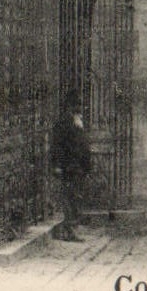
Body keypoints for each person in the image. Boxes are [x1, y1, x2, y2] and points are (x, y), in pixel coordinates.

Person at [51, 98, 91, 241]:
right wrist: (57, 166)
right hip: (69, 167)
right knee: (71, 198)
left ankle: (72, 229)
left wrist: (86, 166)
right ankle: (70, 230)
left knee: (75, 198)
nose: (79, 110)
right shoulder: (63, 124)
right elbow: (57, 147)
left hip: (77, 167)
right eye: (76, 107)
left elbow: (83, 146)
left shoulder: (77, 123)